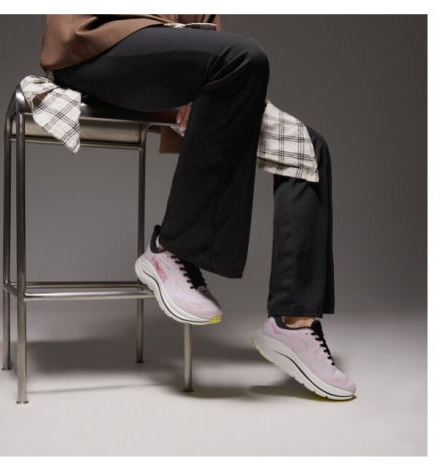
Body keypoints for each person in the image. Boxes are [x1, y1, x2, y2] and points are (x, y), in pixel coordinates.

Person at [40, 14, 356, 400]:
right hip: (97, 49)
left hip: (188, 68)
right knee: (243, 57)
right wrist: (209, 65)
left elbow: (206, 22)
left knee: (309, 148)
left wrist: (207, 78)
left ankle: (295, 323)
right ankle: (171, 250)